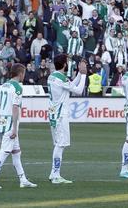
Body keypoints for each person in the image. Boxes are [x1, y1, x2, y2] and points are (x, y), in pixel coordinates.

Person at [0, 63, 37, 189]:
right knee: (4, 152)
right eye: (23, 73)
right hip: (10, 123)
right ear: (20, 74)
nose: (24, 75)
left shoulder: (4, 86)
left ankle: (23, 179)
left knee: (16, 152)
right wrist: (14, 128)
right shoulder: (17, 88)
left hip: (4, 121)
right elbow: (15, 107)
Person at [47, 54, 87, 184]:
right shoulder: (61, 78)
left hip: (53, 114)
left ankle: (53, 173)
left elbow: (70, 85)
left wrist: (79, 74)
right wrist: (84, 74)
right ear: (65, 64)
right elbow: (79, 90)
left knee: (58, 143)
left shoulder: (52, 76)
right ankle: (56, 174)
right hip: (60, 114)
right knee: (61, 144)